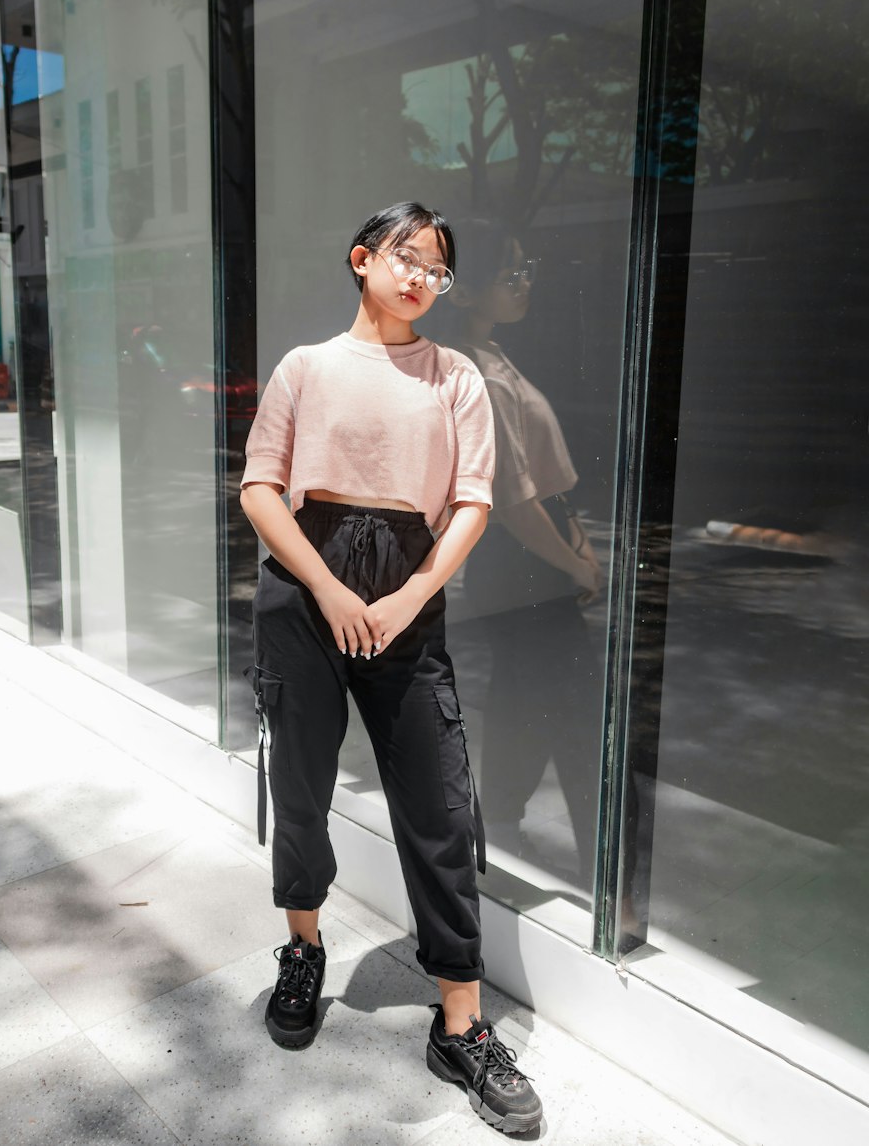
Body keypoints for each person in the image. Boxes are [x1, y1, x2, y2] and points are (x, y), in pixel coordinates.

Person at [240, 202, 543, 1134]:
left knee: (441, 808)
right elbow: (260, 486)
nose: (419, 278)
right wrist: (328, 587)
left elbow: (470, 504)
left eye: (437, 269)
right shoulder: (306, 368)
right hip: (307, 579)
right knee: (299, 785)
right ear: (362, 259)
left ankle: (460, 1022)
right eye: (405, 258)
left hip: (410, 590)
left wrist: (407, 600)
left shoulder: (456, 377)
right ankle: (303, 949)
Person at [451, 218, 606, 888]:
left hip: (524, 561)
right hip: (522, 563)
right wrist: (576, 564)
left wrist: (578, 547)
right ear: (465, 290)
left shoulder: (491, 354)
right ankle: (610, 875)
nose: (523, 281)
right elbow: (513, 502)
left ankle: (502, 832)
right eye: (507, 271)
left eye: (526, 268)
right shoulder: (479, 372)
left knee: (524, 698)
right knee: (577, 716)